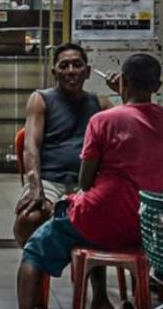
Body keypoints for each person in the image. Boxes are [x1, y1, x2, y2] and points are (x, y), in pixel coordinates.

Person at [0, 54, 163, 309]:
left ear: (121, 81)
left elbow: (86, 182)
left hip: (99, 215)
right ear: (157, 85)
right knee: (87, 225)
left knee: (36, 250)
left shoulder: (102, 119)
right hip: (140, 225)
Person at [13, 42, 102, 248]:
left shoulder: (100, 104)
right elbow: (31, 146)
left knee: (110, 220)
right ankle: (34, 264)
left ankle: (92, 274)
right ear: (55, 72)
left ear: (87, 72)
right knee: (30, 218)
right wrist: (36, 187)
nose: (71, 71)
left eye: (77, 65)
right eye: (64, 66)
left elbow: (123, 131)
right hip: (49, 180)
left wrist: (123, 91)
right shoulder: (41, 100)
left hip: (86, 183)